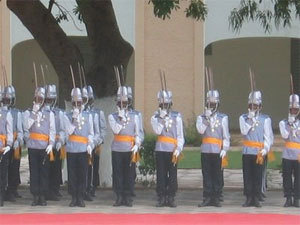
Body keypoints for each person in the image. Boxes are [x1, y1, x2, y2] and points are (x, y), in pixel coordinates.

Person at [108, 86, 142, 207]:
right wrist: (121, 118)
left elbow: (138, 133)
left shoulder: (135, 116)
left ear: (128, 103)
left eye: (125, 103)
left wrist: (137, 144)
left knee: (129, 173)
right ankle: (119, 196)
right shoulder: (112, 116)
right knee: (118, 173)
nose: (122, 105)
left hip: (129, 148)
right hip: (117, 148)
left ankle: (127, 196)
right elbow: (116, 130)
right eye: (120, 103)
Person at [196, 89, 230, 207]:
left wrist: (224, 149)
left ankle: (216, 197)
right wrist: (206, 119)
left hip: (218, 151)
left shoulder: (223, 118)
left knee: (217, 175)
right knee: (207, 174)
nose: (211, 107)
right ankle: (207, 197)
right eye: (209, 104)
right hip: (206, 150)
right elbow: (200, 130)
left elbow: (226, 136)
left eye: (213, 104)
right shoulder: (201, 118)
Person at [239, 90, 273, 207]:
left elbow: (268, 136)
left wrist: (266, 148)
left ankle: (257, 197)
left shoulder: (265, 119)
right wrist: (250, 120)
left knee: (258, 175)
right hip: (248, 151)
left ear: (260, 106)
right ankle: (248, 197)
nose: (253, 108)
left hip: (259, 152)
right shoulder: (243, 118)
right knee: (248, 175)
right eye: (251, 106)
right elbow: (244, 131)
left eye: (255, 106)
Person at [151, 90, 184, 207]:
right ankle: (161, 196)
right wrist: (161, 118)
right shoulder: (155, 117)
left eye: (167, 104)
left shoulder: (177, 117)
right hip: (161, 149)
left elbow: (180, 135)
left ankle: (171, 197)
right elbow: (158, 131)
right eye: (163, 105)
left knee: (172, 174)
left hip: (173, 150)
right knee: (161, 174)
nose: (165, 106)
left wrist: (179, 148)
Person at [23, 86, 56, 206]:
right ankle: (35, 195)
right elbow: (26, 126)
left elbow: (52, 130)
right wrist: (33, 113)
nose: (39, 101)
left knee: (44, 172)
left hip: (44, 146)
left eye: (41, 99)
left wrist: (51, 143)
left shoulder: (49, 114)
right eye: (37, 99)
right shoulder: (28, 112)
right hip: (33, 146)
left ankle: (43, 195)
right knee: (34, 172)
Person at [63, 87, 94, 207]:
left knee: (82, 174)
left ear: (83, 103)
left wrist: (90, 144)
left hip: (83, 149)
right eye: (75, 103)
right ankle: (73, 197)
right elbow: (69, 131)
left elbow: (91, 132)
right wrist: (74, 119)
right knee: (72, 174)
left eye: (79, 103)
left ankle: (80, 196)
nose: (77, 105)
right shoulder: (67, 116)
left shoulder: (88, 116)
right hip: (72, 148)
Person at [279, 93, 300, 208]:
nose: (293, 111)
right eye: (292, 109)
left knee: (298, 177)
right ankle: (288, 198)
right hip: (287, 154)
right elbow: (285, 136)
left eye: (296, 109)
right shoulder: (283, 123)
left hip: (298, 155)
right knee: (287, 177)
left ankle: (297, 198)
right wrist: (290, 124)